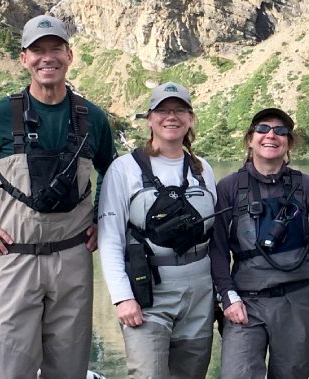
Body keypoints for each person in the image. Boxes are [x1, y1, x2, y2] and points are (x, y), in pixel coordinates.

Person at [0, 15, 115, 378]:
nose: (47, 58)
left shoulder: (92, 118)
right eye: (37, 51)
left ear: (70, 55)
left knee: (69, 369)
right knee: (5, 369)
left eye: (55, 49)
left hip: (73, 261)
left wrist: (101, 217)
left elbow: (112, 173)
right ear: (23, 59)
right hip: (12, 259)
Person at [96, 82, 217, 378]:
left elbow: (216, 238)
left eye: (179, 110)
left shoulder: (203, 168)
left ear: (190, 118)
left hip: (199, 295)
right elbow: (110, 237)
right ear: (149, 118)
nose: (170, 116)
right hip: (147, 294)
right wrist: (122, 297)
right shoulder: (124, 169)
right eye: (162, 110)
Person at [208, 108, 309, 378]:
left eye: (281, 131)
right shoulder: (229, 187)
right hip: (246, 302)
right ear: (250, 139)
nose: (271, 135)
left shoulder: (308, 186)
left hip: (298, 301)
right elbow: (217, 249)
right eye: (263, 129)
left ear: (288, 142)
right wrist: (227, 296)